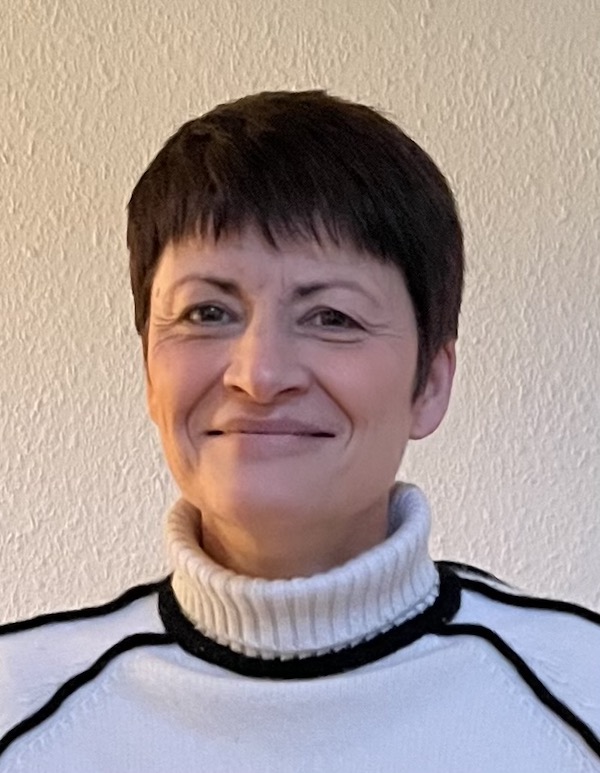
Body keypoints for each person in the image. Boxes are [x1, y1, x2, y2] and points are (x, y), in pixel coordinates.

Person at [0, 90, 598, 772]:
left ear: (430, 383)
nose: (259, 376)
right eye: (206, 313)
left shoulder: (581, 696)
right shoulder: (17, 705)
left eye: (333, 318)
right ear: (149, 370)